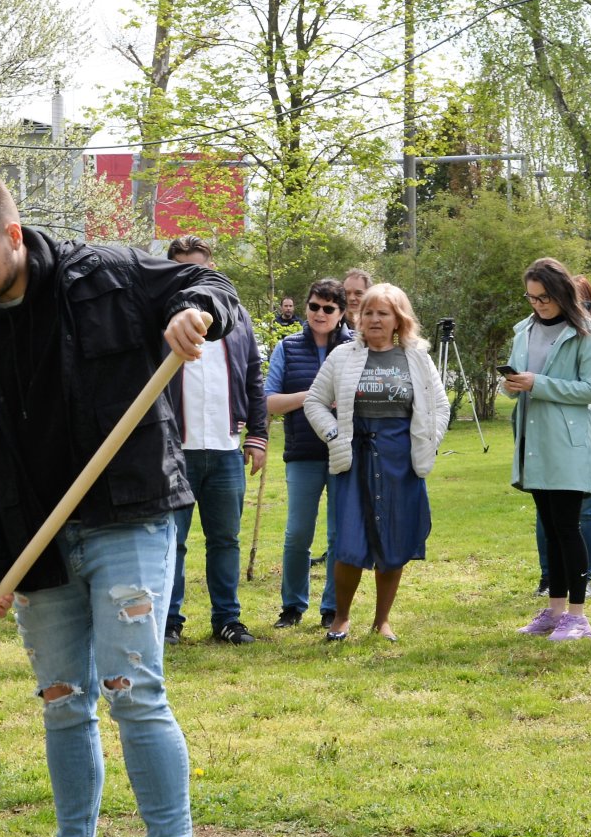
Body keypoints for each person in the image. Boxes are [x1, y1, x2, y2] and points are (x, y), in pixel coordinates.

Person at [0, 169, 243, 837]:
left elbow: (211, 286)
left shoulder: (106, 276)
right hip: (34, 535)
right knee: (64, 699)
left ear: (12, 233)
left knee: (133, 688)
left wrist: (196, 313)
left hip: (127, 513)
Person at [302, 283, 450, 642]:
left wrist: (428, 443)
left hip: (402, 459)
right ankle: (341, 618)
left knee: (395, 539)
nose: (373, 319)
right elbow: (314, 402)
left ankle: (382, 620)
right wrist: (335, 435)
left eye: (382, 313)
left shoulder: (417, 358)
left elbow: (439, 407)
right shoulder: (342, 356)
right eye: (367, 313)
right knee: (349, 540)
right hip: (356, 459)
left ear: (399, 319)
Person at [161, 234, 268, 645]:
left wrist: (257, 435)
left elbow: (254, 377)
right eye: (182, 270)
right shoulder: (159, 316)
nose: (192, 279)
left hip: (225, 451)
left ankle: (227, 619)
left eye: (200, 270)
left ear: (212, 270)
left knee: (225, 539)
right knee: (173, 541)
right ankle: (169, 621)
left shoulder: (236, 316)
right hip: (173, 452)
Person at [505, 258, 591, 641]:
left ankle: (578, 617)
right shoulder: (523, 330)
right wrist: (511, 384)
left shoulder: (585, 332)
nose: (538, 305)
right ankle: (554, 611)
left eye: (544, 297)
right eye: (531, 298)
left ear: (562, 292)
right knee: (549, 528)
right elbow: (519, 376)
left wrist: (539, 384)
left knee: (567, 527)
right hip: (532, 440)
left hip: (566, 441)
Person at [265, 279, 351, 630]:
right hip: (302, 453)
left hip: (343, 452)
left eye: (328, 309)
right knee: (298, 533)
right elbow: (269, 402)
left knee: (338, 534)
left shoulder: (355, 348)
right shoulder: (287, 347)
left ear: (342, 313)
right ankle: (292, 606)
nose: (320, 313)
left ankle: (333, 607)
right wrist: (312, 396)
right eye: (314, 306)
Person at [533, 276, 591, 597]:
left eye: (585, 303)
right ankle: (549, 578)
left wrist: (545, 379)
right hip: (548, 434)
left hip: (589, 433)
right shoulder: (541, 334)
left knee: (587, 507)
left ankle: (585, 577)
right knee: (548, 513)